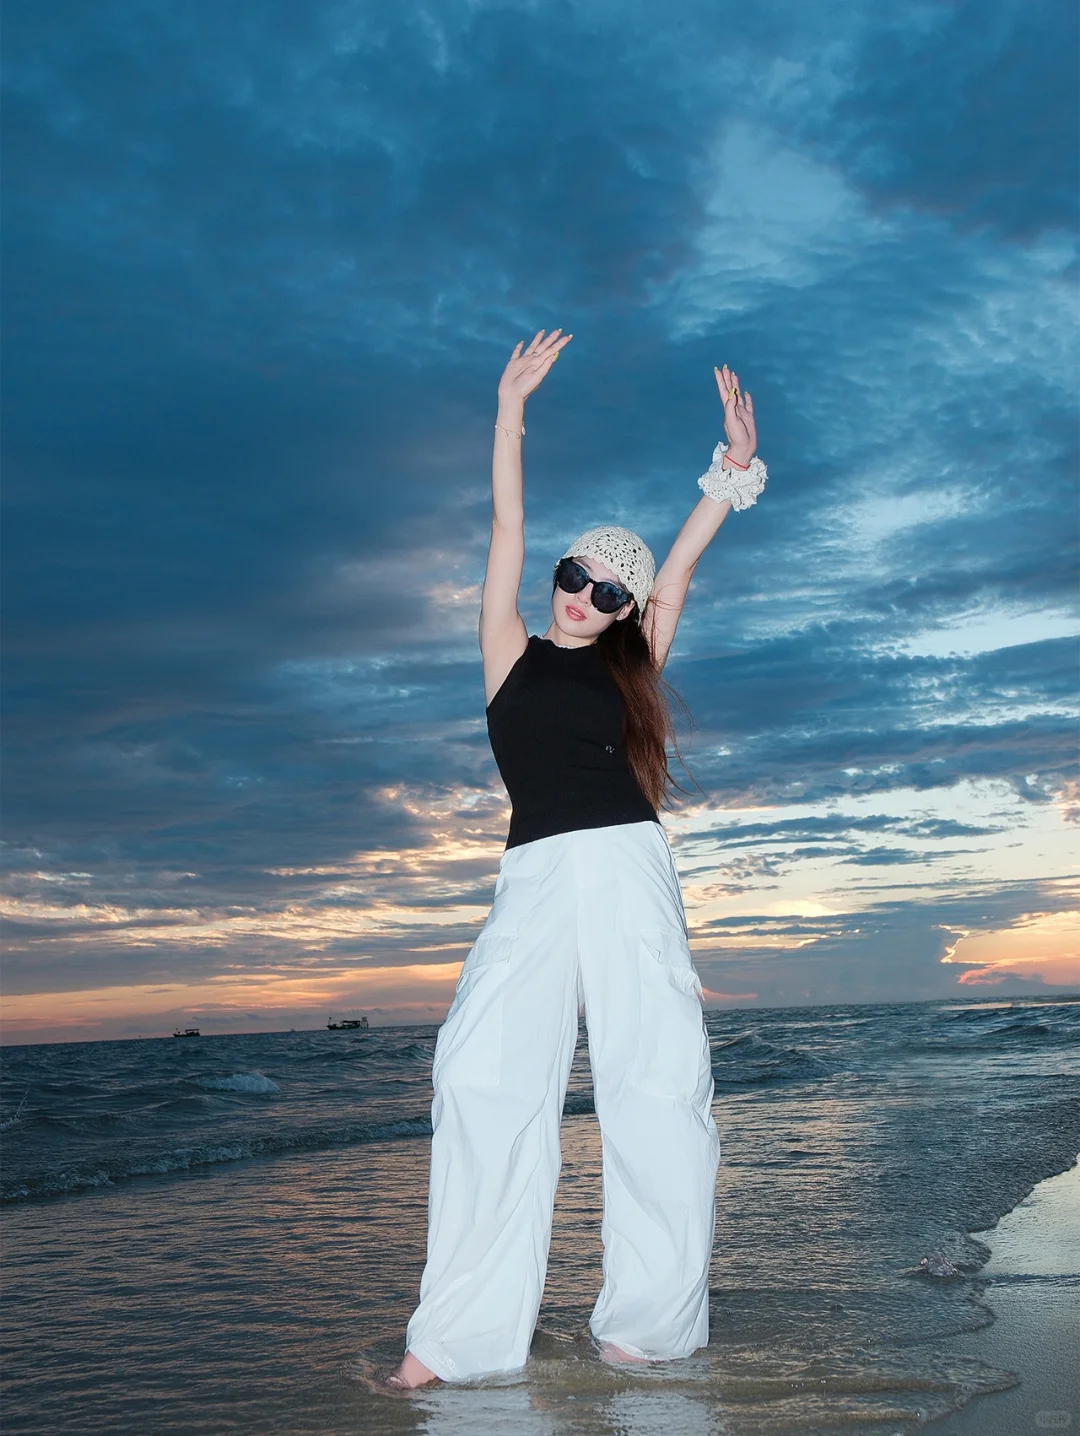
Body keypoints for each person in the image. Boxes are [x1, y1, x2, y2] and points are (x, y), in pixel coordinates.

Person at [382, 330, 766, 1390]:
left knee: (656, 1085)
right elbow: (504, 522)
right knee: (479, 1075)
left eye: (607, 593)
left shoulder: (633, 668)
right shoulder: (506, 652)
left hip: (629, 866)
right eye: (574, 574)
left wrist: (729, 471)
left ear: (627, 614)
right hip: (536, 876)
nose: (582, 596)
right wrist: (509, 412)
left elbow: (679, 566)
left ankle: (646, 1327)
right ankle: (452, 1344)